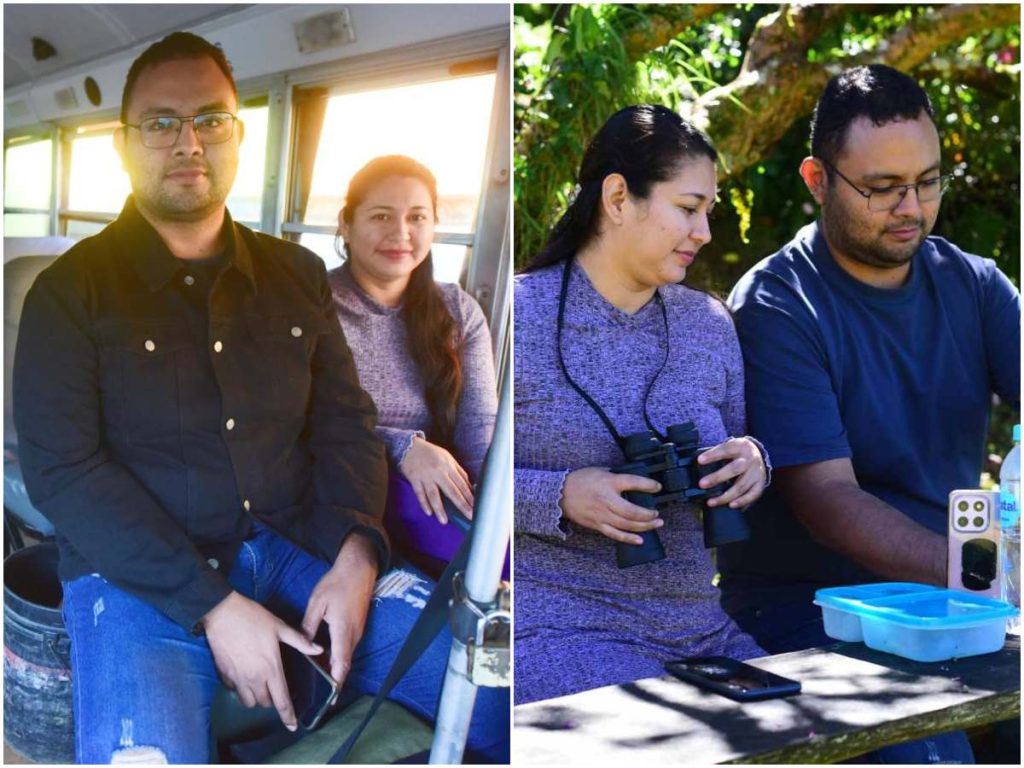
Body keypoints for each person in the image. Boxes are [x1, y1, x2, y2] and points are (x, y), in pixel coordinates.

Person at [13, 32, 507, 764]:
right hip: (135, 576)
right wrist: (214, 606)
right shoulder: (68, 293)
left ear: (238, 135)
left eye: (211, 119)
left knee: (498, 688)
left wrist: (357, 557)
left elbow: (347, 424)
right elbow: (64, 472)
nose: (189, 142)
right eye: (161, 122)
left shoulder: (294, 274)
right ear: (126, 143)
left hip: (298, 543)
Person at [721, 64, 1020, 763]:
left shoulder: (974, 285)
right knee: (929, 754)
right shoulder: (777, 305)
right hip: (811, 608)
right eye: (882, 188)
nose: (911, 206)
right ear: (817, 180)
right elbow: (829, 500)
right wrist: (982, 572)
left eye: (928, 180)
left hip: (957, 602)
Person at [514, 104, 770, 705]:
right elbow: (470, 476)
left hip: (702, 630)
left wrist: (754, 462)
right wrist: (560, 495)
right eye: (687, 209)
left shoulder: (709, 324)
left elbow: (736, 447)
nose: (704, 232)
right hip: (559, 625)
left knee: (816, 736)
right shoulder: (518, 317)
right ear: (618, 198)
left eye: (708, 211)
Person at [327, 155, 502, 577]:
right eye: (381, 216)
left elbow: (481, 426)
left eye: (417, 217)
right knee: (478, 567)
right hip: (345, 485)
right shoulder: (314, 305)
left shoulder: (458, 310)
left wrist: (493, 506)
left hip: (436, 485)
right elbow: (299, 419)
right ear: (347, 225)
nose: (401, 234)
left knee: (502, 554)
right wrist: (403, 446)